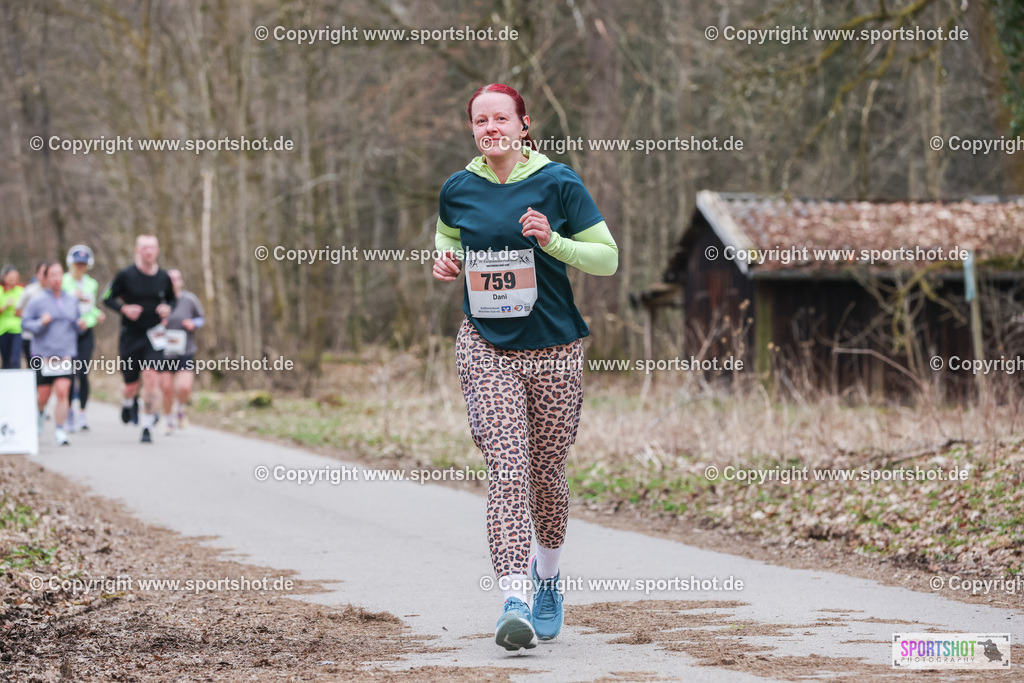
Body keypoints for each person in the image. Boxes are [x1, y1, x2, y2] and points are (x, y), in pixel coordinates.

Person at [432, 83, 618, 651]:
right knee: (507, 466)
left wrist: (553, 241)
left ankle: (547, 577)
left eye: (500, 119)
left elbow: (607, 259)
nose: (490, 128)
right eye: (480, 121)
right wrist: (444, 261)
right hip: (485, 343)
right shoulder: (457, 189)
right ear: (473, 130)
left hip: (555, 346)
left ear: (523, 124)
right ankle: (512, 597)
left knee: (546, 475)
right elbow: (447, 241)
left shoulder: (557, 182)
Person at [102, 235, 175, 443]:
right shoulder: (125, 275)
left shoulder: (164, 277)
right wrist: (124, 308)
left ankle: (146, 425)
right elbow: (106, 298)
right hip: (131, 336)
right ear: (137, 251)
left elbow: (173, 299)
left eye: (152, 248)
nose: (149, 252)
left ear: (158, 251)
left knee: (151, 378)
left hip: (155, 336)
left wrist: (168, 308)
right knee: (131, 385)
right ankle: (127, 402)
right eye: (145, 248)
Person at [21, 261, 84, 446]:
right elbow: (25, 324)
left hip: (65, 353)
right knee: (43, 395)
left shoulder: (72, 300)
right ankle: (40, 417)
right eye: (53, 275)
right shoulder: (36, 301)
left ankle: (59, 430)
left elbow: (76, 325)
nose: (57, 278)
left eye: (59, 274)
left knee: (63, 391)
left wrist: (80, 326)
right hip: (43, 355)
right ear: (45, 277)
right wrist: (40, 322)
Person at [62, 245, 105, 432]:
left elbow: (91, 308)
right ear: (71, 263)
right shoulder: (63, 282)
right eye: (77, 264)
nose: (80, 267)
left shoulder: (92, 284)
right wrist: (72, 298)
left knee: (83, 373)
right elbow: (59, 304)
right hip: (67, 332)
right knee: (70, 374)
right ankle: (69, 412)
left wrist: (95, 317)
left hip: (86, 332)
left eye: (83, 264)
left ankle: (82, 413)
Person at [158, 269, 205, 435]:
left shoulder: (189, 299)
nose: (173, 282)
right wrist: (158, 323)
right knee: (167, 389)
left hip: (185, 350)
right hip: (163, 352)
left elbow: (201, 318)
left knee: (184, 387)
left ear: (181, 281)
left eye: (176, 279)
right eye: (170, 279)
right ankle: (168, 420)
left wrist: (194, 323)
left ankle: (180, 407)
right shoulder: (160, 300)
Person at [17, 261, 48, 368]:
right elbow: (18, 310)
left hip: (49, 338)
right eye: (42, 272)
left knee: (48, 370)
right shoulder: (29, 291)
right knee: (33, 369)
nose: (44, 275)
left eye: (47, 272)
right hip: (30, 337)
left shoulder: (55, 292)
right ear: (37, 274)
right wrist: (33, 320)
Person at [0, 266, 24, 369]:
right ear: (4, 277)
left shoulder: (21, 290)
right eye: (10, 277)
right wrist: (5, 306)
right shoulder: (0, 291)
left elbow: (27, 310)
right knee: (5, 361)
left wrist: (20, 313)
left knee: (15, 360)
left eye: (15, 277)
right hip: (2, 330)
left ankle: (17, 382)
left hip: (17, 330)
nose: (12, 279)